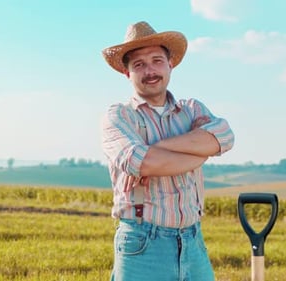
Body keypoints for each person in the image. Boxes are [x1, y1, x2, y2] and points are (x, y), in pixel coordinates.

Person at [101, 21, 235, 281]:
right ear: (127, 73)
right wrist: (199, 151)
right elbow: (143, 162)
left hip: (193, 240)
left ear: (170, 64)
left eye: (156, 60)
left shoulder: (192, 109)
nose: (149, 70)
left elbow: (225, 137)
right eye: (139, 64)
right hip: (142, 243)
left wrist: (158, 148)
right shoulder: (119, 116)